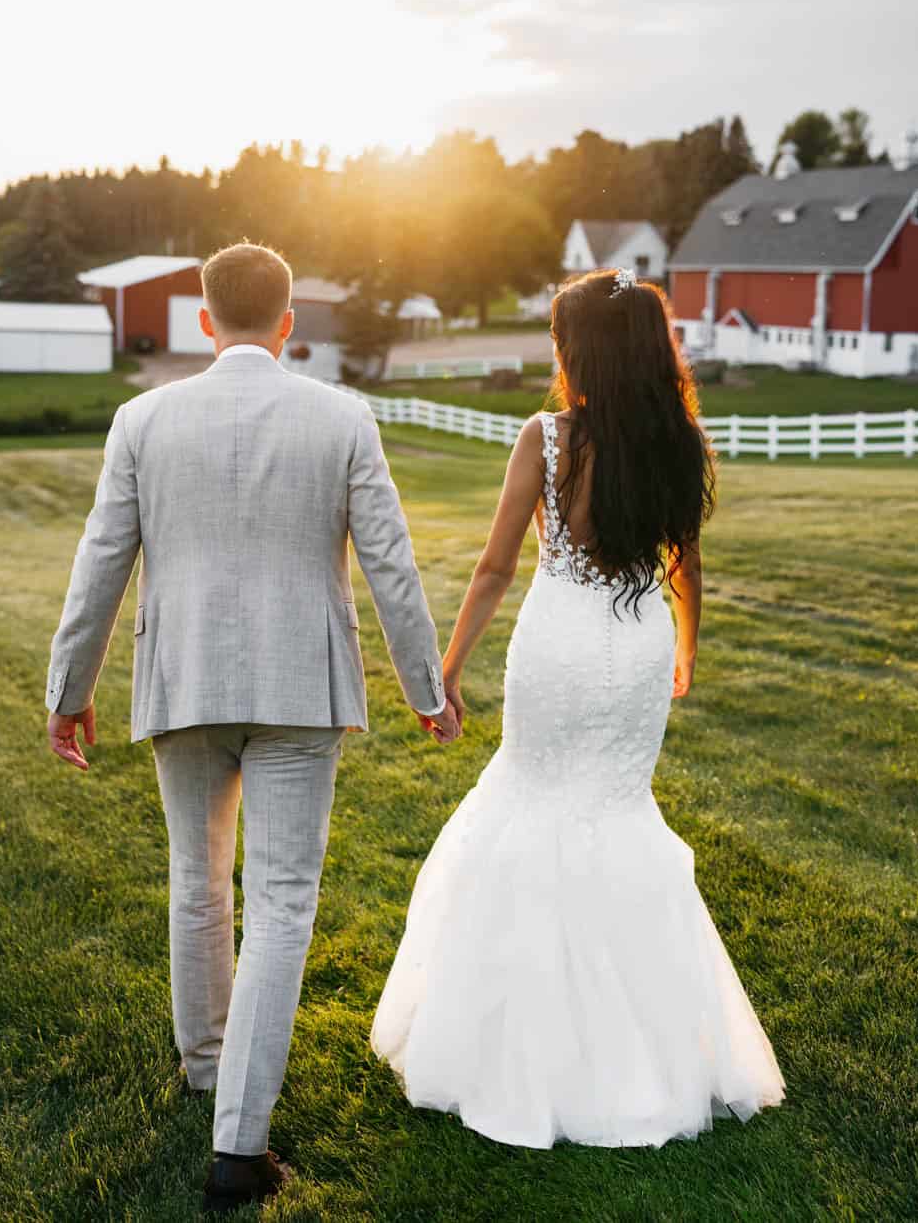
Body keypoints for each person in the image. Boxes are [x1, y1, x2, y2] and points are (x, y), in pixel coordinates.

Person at [44, 242, 459, 1216]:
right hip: (297, 688)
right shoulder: (340, 416)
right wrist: (425, 685)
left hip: (184, 678)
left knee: (199, 880)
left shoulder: (142, 418)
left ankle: (207, 1072)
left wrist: (69, 687)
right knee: (278, 904)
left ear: (202, 319)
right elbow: (391, 564)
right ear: (286, 323)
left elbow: (99, 560)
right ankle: (238, 1142)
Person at [371, 266, 785, 1149]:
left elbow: (493, 569)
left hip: (556, 644)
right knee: (617, 813)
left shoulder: (548, 437)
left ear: (578, 350)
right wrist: (686, 646)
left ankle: (518, 1045)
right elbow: (687, 565)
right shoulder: (678, 442)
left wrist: (446, 670)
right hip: (635, 646)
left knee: (532, 802)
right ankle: (642, 1051)